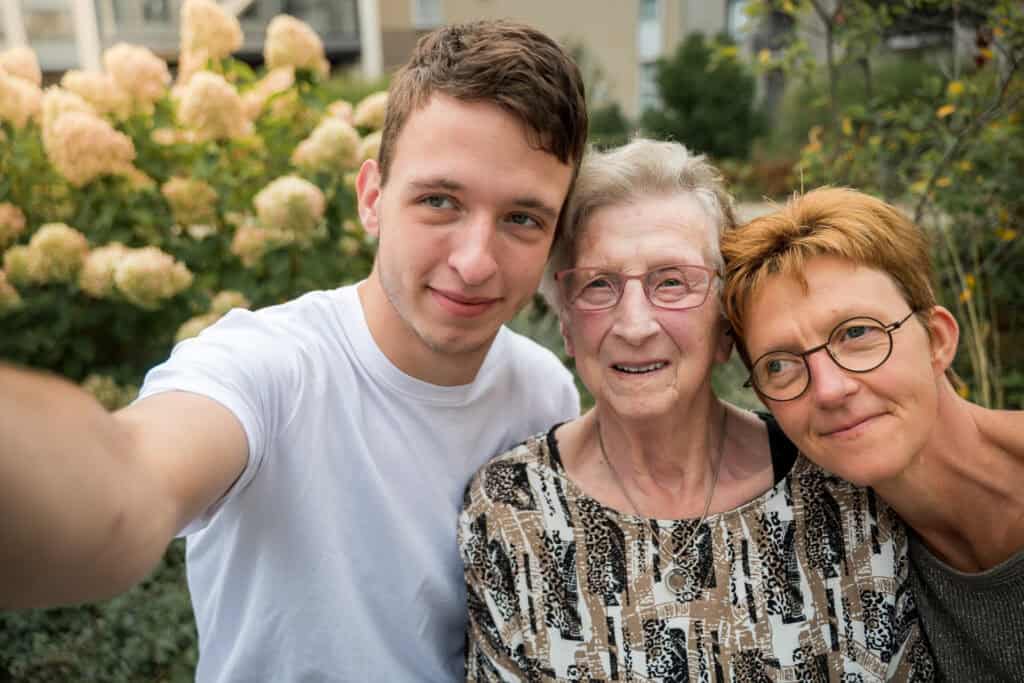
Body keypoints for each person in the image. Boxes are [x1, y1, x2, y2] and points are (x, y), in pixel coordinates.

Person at [0, 20, 588, 682]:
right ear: (372, 199)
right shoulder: (269, 366)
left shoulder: (544, 393)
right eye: (440, 201)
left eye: (522, 218)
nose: (476, 261)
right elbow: (128, 485)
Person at [458, 140, 934, 681]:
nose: (634, 325)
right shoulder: (511, 512)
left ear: (728, 324)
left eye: (672, 282)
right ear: (565, 322)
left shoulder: (840, 485)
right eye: (598, 285)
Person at [720, 186, 1024, 681]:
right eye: (780, 365)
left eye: (856, 333)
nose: (830, 388)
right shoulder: (848, 555)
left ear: (938, 340)